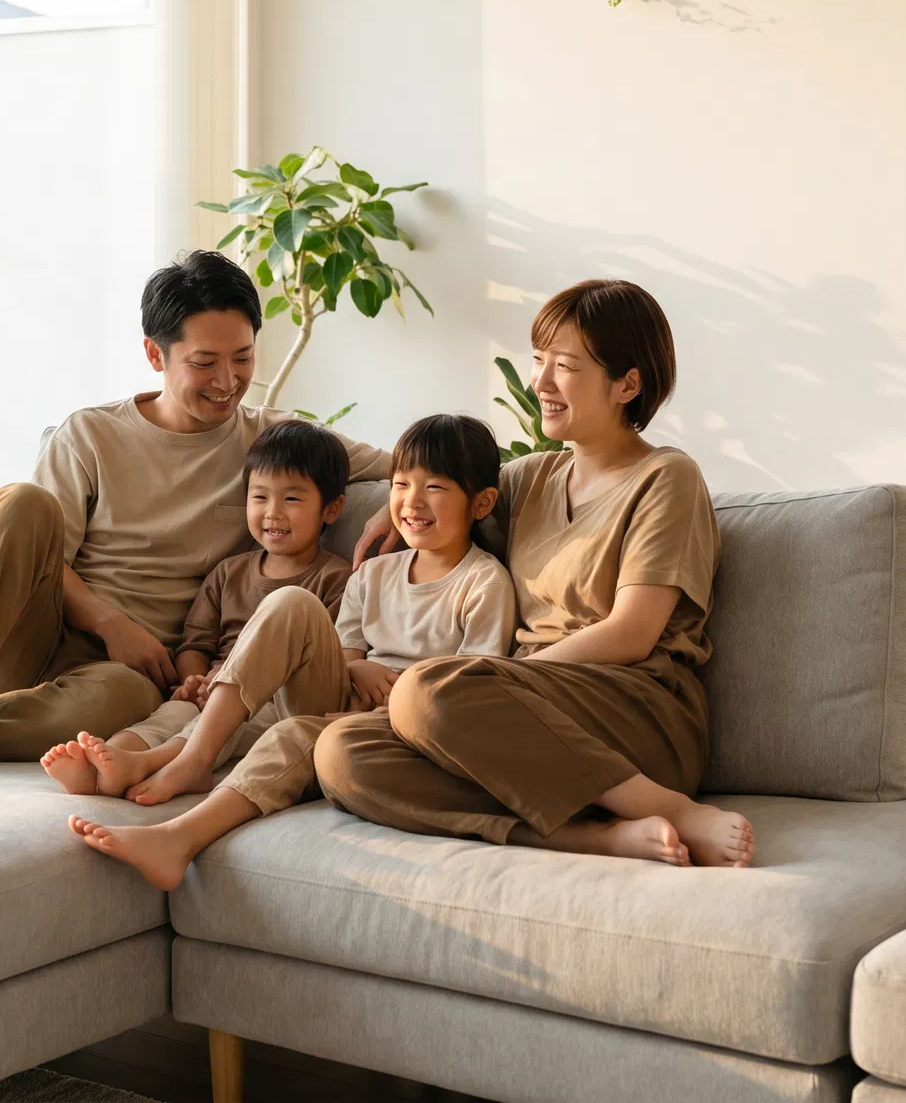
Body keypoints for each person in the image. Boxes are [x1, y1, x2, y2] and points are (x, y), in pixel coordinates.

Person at [0, 250, 394, 785]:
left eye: (244, 358)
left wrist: (396, 505)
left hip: (137, 677)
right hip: (41, 637)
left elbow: (412, 465)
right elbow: (33, 553)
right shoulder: (91, 434)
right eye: (205, 362)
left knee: (114, 708)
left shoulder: (271, 446)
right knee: (17, 500)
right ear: (156, 354)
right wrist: (108, 620)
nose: (228, 381)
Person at [314, 280, 754, 868]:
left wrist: (494, 680)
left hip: (638, 708)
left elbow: (632, 632)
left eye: (565, 366)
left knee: (428, 689)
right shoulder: (529, 480)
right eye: (539, 362)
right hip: (519, 716)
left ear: (628, 383)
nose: (540, 383)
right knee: (342, 753)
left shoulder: (666, 478)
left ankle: (670, 807)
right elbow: (452, 489)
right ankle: (592, 836)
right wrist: (395, 504)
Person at [68, 414, 518, 889]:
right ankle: (188, 759)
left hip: (398, 728)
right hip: (337, 696)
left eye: (435, 488)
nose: (412, 501)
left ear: (482, 502)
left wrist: (398, 692)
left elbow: (471, 688)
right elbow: (344, 654)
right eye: (402, 484)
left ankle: (178, 838)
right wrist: (358, 669)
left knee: (291, 736)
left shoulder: (483, 582)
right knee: (289, 602)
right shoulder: (374, 574)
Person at [40, 417, 353, 797]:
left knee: (230, 722)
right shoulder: (228, 572)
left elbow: (329, 658)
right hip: (213, 687)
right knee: (171, 713)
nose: (272, 512)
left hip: (277, 699)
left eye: (291, 499)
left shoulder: (337, 579)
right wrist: (194, 681)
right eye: (259, 497)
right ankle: (111, 759)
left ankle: (162, 764)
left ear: (332, 509)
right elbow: (196, 644)